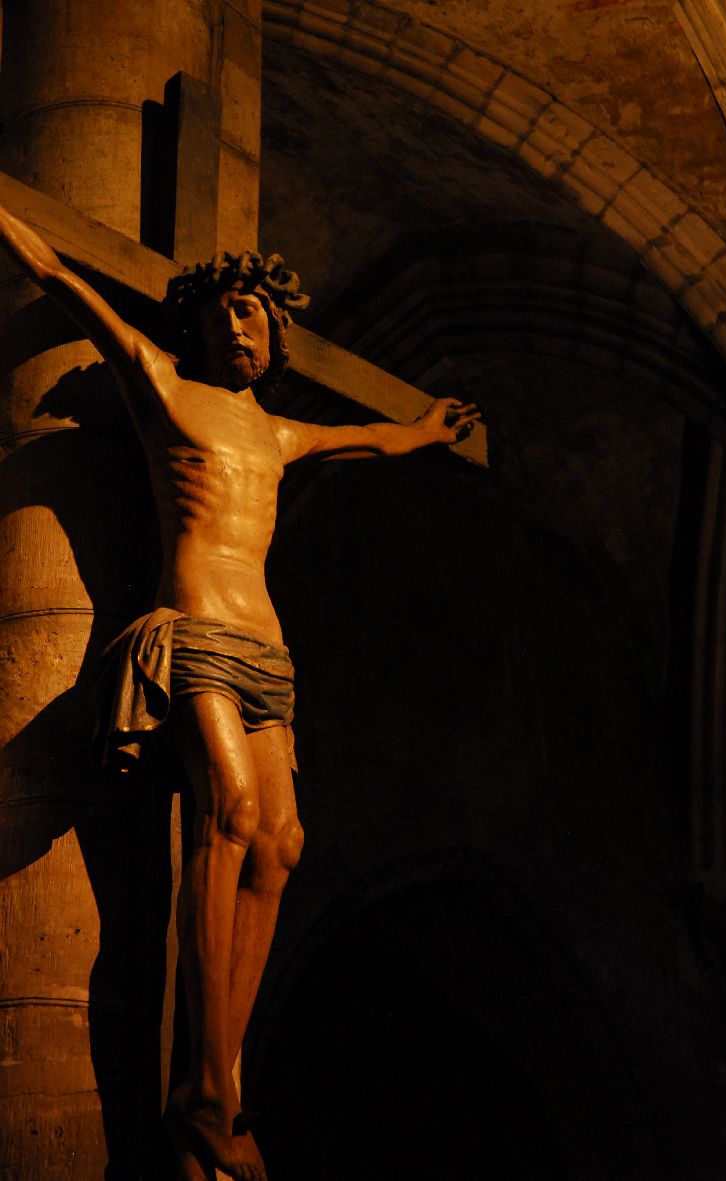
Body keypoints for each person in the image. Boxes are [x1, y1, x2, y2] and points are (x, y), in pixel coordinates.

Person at [0, 204, 479, 1181]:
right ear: (197, 327)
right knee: (229, 812)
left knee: (281, 843)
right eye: (221, 314)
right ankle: (199, 1094)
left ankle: (221, 1074)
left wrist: (427, 429)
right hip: (197, 634)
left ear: (275, 330)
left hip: (269, 656)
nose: (236, 326)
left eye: (251, 313)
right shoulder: (163, 387)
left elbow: (373, 440)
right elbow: (64, 280)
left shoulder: (280, 433)